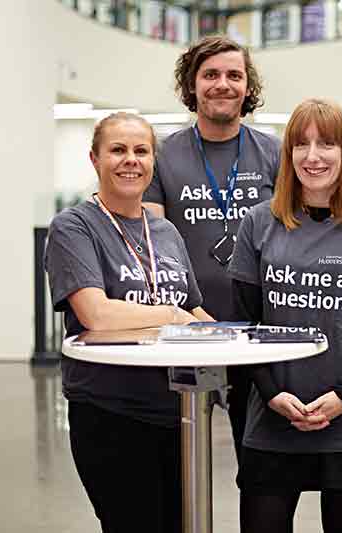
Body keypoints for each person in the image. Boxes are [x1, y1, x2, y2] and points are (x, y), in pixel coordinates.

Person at [228, 99, 342, 533]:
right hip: (274, 414)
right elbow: (244, 322)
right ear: (287, 154)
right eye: (302, 144)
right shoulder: (259, 223)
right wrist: (271, 392)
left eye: (327, 144)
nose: (313, 157)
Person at [45, 112, 212, 533]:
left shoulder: (166, 232)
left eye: (141, 151)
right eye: (118, 150)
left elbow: (193, 310)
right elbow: (96, 314)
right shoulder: (75, 227)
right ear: (95, 159)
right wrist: (169, 316)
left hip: (179, 411)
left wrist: (241, 338)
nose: (130, 160)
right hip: (110, 412)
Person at [142, 35, 281, 457]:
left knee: (259, 468)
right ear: (193, 85)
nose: (223, 84)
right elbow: (148, 242)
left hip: (255, 330)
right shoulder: (162, 154)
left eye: (234, 75)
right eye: (210, 75)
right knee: (175, 463)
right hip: (183, 329)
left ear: (247, 87)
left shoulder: (274, 153)